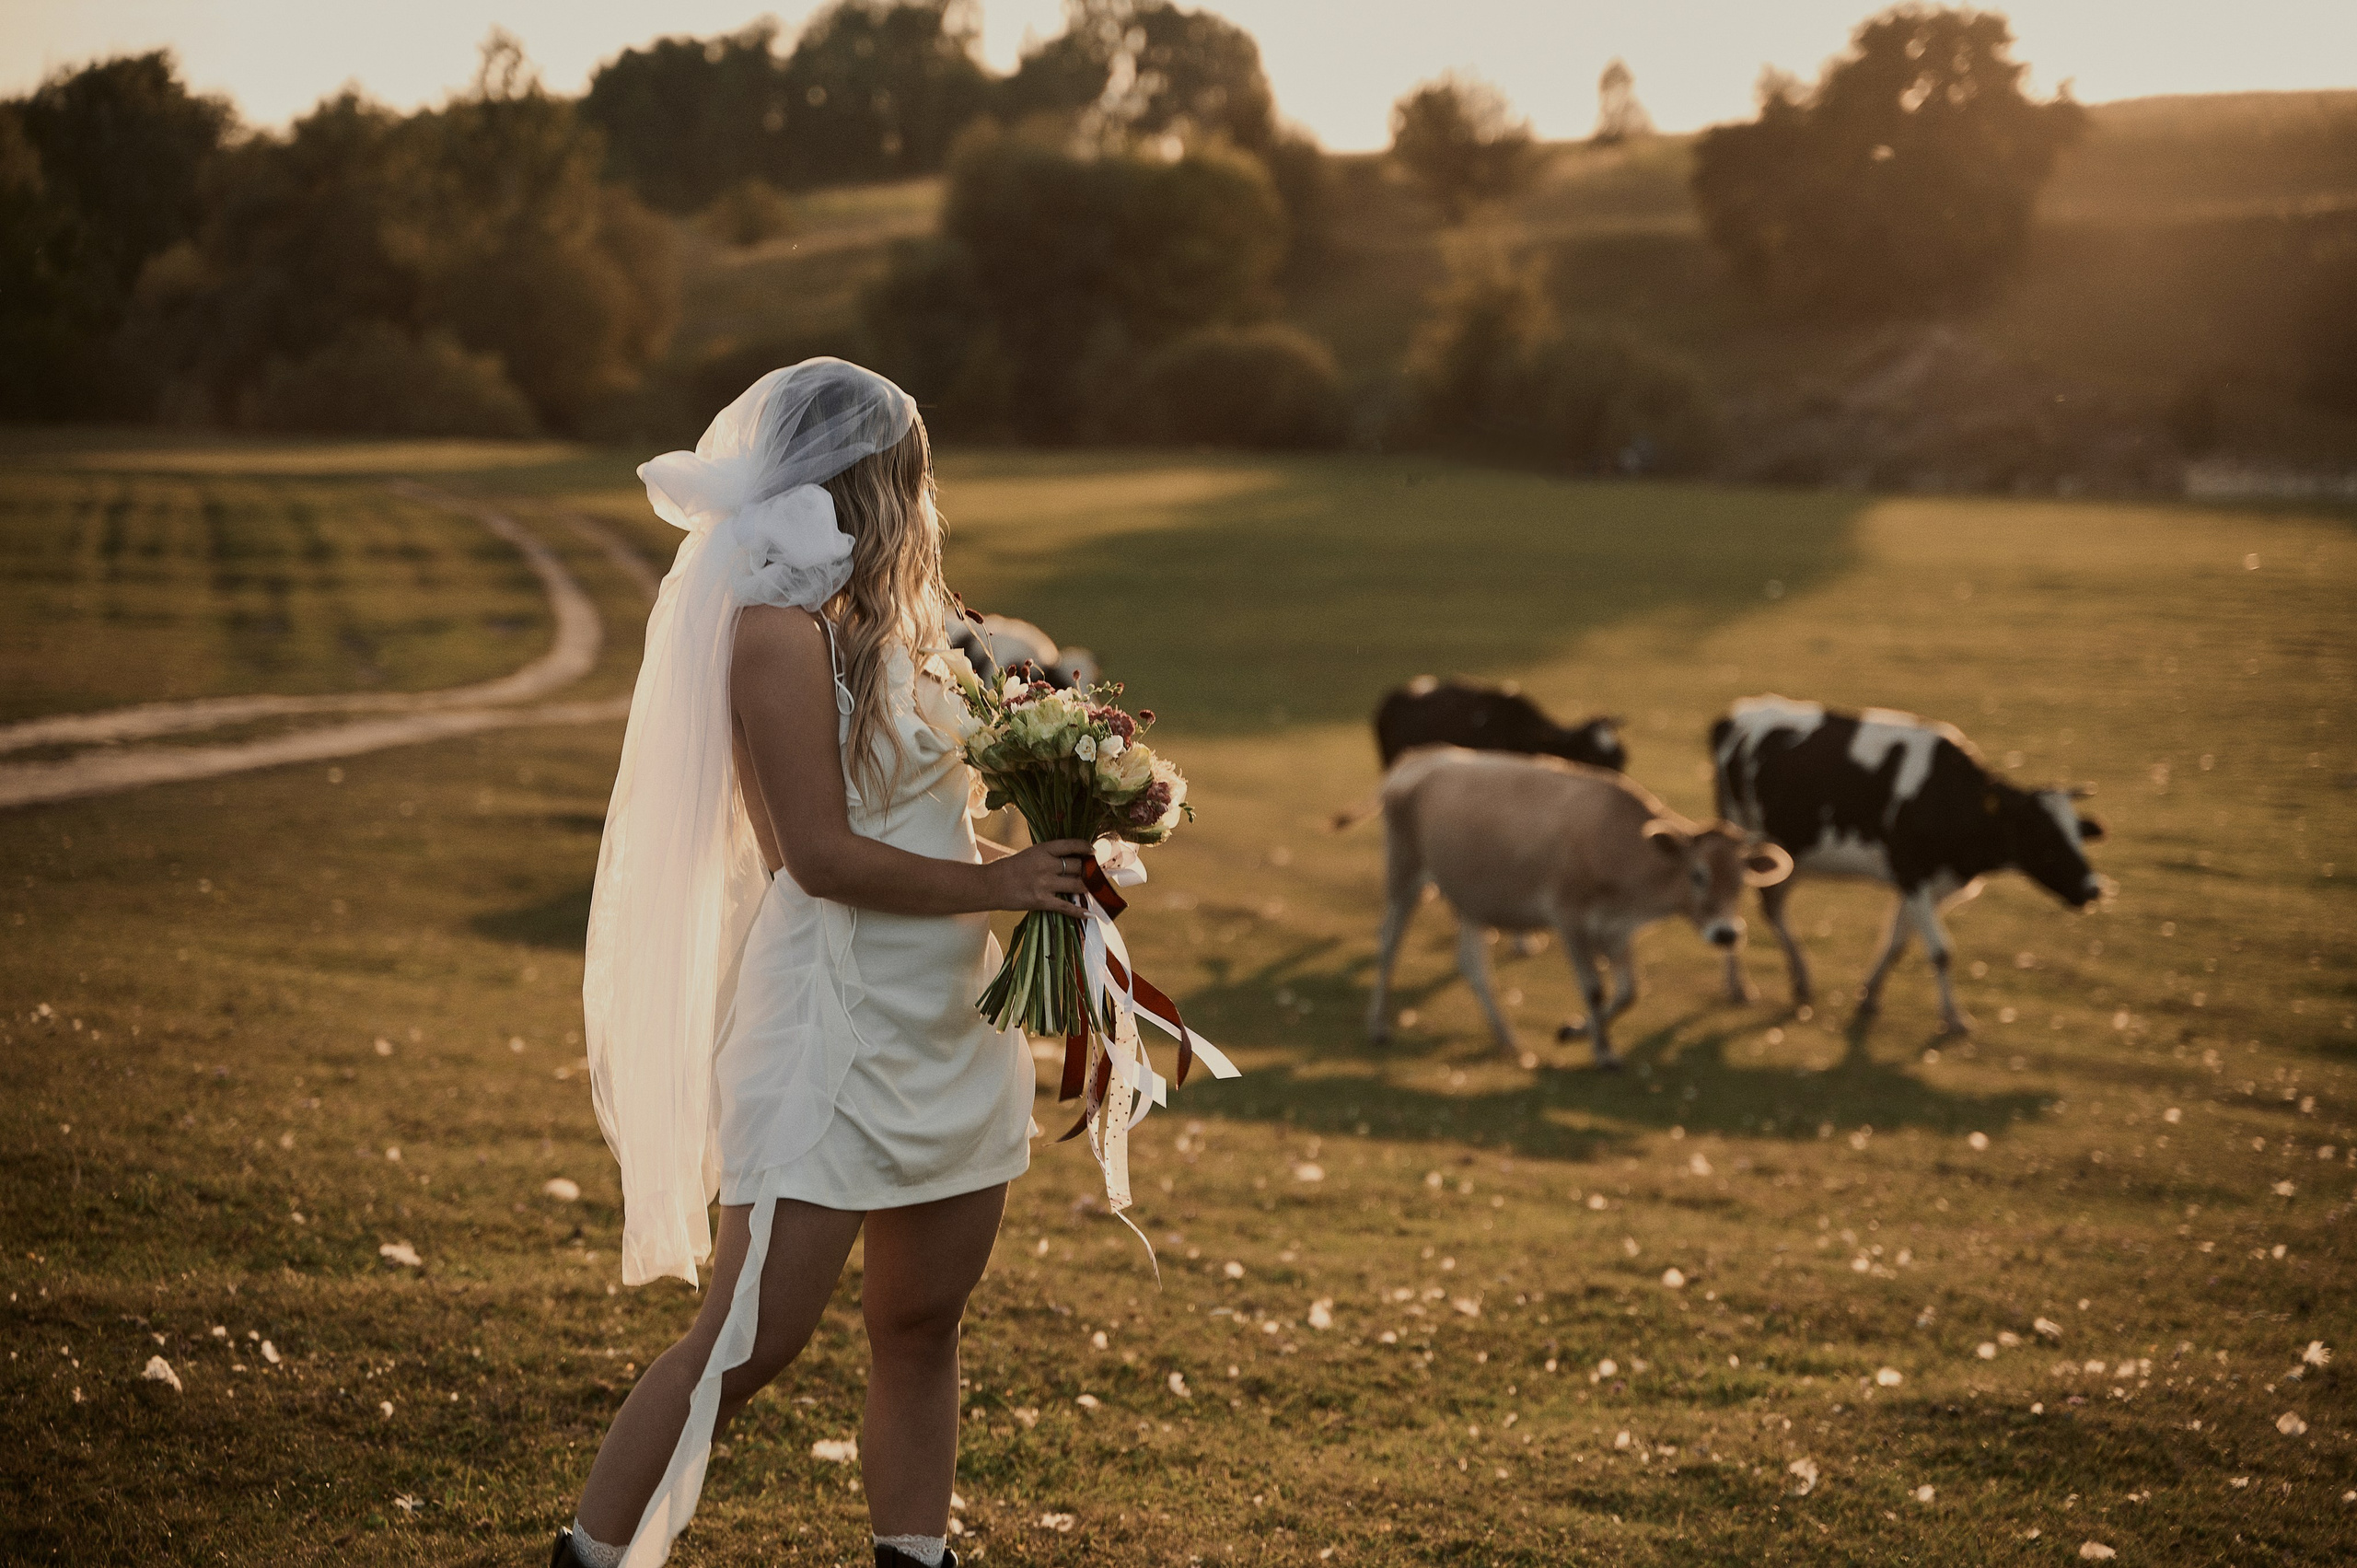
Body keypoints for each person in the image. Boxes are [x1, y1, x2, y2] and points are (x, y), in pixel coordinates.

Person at [553, 359, 1090, 1568]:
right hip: (830, 1019)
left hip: (952, 1015)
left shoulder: (924, 631)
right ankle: (585, 1559)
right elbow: (820, 858)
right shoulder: (771, 635)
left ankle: (916, 1556)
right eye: (910, 466)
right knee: (747, 1341)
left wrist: (1053, 862)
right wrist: (999, 884)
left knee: (919, 1324)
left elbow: (933, 829)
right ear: (874, 476)